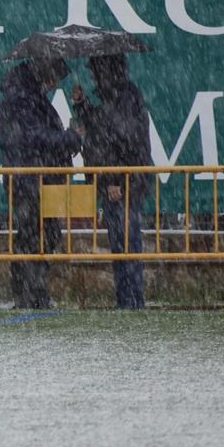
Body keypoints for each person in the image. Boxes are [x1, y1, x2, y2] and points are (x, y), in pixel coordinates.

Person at [0, 56, 82, 310]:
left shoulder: (25, 97)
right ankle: (29, 294)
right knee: (34, 237)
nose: (56, 85)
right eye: (55, 78)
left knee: (41, 236)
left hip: (35, 180)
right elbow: (35, 137)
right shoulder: (22, 100)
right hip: (31, 181)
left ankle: (33, 291)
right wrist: (69, 138)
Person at [74, 54, 150, 309]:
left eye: (95, 72)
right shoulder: (121, 96)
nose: (93, 77)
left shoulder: (123, 98)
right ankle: (127, 300)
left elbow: (123, 139)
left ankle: (131, 301)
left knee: (125, 243)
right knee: (122, 244)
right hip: (121, 181)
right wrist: (82, 105)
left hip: (122, 182)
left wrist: (117, 180)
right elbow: (106, 129)